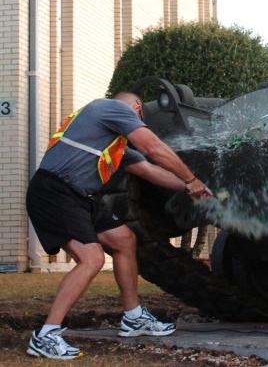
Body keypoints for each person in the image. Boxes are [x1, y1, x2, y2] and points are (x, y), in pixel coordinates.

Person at [25, 92, 213, 360]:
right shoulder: (110, 107)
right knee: (92, 259)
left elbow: (149, 170)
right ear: (136, 108)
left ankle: (133, 317)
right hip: (55, 191)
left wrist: (192, 188)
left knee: (124, 239)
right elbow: (153, 147)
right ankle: (46, 335)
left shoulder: (114, 145)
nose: (138, 124)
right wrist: (190, 176)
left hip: (80, 196)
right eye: (140, 119)